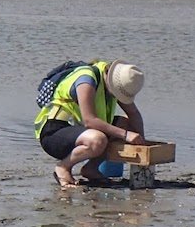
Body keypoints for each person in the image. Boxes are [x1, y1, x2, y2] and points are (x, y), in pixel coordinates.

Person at [34, 60, 145, 188]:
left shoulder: (114, 84)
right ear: (111, 80)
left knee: (124, 123)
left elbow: (134, 114)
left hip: (79, 131)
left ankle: (91, 169)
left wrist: (142, 144)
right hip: (54, 132)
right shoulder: (86, 80)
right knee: (98, 139)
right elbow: (89, 121)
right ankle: (63, 167)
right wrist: (126, 135)